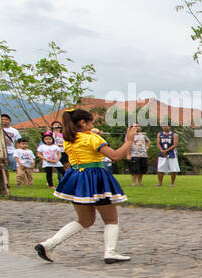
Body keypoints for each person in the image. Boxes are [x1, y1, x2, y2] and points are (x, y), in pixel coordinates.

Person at [35, 107, 139, 264]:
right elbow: (116, 156)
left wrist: (92, 134)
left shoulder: (69, 139)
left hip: (77, 179)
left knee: (85, 220)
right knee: (111, 219)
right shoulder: (92, 139)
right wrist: (129, 140)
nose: (92, 124)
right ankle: (110, 252)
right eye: (90, 122)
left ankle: (48, 244)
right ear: (83, 123)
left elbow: (84, 145)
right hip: (96, 178)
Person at [2, 115, 20, 186]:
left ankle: (19, 182)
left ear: (10, 120)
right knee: (4, 169)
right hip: (2, 152)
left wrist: (18, 151)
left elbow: (18, 141)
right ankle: (7, 183)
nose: (4, 121)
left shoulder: (14, 131)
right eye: (2, 119)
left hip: (12, 152)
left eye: (6, 119)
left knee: (17, 168)